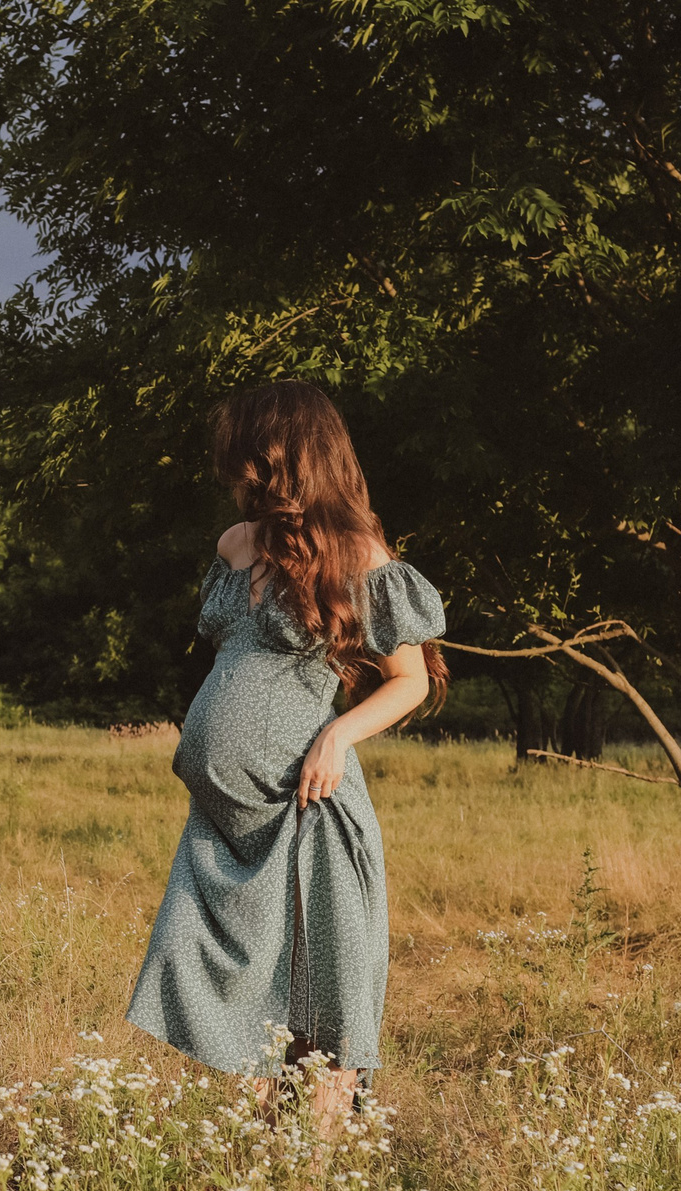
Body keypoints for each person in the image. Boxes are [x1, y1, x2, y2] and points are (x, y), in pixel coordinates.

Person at [127, 381, 447, 1131]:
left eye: (242, 455)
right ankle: (266, 1173)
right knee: (245, 997)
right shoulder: (238, 546)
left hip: (307, 814)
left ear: (281, 457)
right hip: (227, 825)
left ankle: (312, 1185)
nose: (230, 471)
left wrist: (336, 735)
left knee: (323, 1005)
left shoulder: (360, 554)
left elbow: (408, 682)